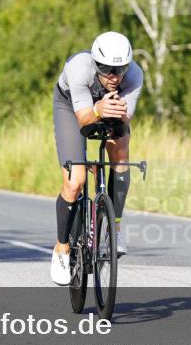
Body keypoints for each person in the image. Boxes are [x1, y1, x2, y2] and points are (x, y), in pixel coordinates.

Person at [51, 31, 143, 285]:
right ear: (95, 63)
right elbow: (84, 120)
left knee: (121, 157)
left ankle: (114, 228)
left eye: (119, 69)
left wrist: (116, 115)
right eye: (106, 69)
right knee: (75, 181)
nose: (114, 77)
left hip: (107, 108)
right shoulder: (80, 68)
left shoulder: (134, 76)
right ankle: (61, 248)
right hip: (72, 107)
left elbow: (124, 121)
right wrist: (97, 109)